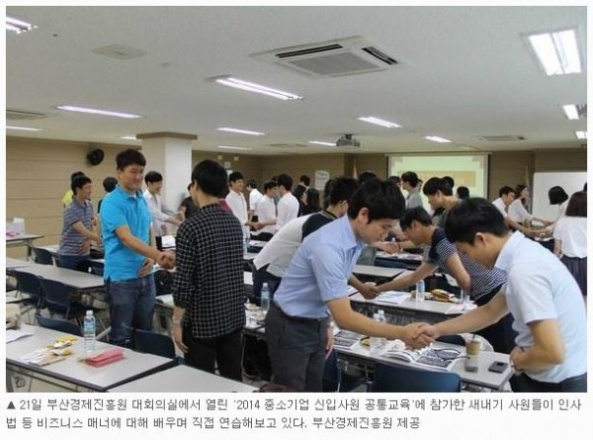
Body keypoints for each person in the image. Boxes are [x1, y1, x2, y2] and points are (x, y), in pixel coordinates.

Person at [265, 179, 433, 391]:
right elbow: (345, 318)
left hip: (315, 321)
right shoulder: (328, 244)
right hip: (290, 325)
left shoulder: (354, 237)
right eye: (384, 227)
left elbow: (336, 279)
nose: (385, 235)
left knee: (313, 390)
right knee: (291, 393)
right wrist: (401, 332)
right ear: (363, 214)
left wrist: (324, 322)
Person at [420, 197, 587, 392]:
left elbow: (552, 353)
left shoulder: (525, 270)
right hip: (558, 374)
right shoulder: (526, 253)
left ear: (481, 239)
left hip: (558, 383)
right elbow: (491, 311)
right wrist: (437, 330)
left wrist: (520, 360)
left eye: (464, 252)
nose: (468, 259)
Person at [377, 207, 515, 354]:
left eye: (406, 232)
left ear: (415, 225)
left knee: (499, 352)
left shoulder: (441, 241)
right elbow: (414, 277)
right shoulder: (435, 243)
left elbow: (463, 279)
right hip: (488, 295)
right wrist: (379, 289)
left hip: (493, 293)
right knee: (486, 350)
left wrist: (465, 303)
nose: (406, 237)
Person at [171, 160, 245, 381]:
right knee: (232, 380)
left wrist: (176, 322)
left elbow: (183, 283)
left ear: (195, 185)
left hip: (202, 321)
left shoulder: (190, 227)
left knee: (200, 383)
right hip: (232, 316)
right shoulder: (233, 223)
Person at [100, 149, 175, 347]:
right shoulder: (111, 202)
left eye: (141, 171)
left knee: (144, 334)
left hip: (146, 275)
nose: (138, 176)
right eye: (133, 171)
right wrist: (158, 255)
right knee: (122, 337)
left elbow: (149, 229)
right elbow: (126, 238)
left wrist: (151, 257)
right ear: (119, 172)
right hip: (122, 278)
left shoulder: (141, 198)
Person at [58, 175, 101, 272]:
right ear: (78, 189)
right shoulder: (70, 209)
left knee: (84, 280)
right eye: (87, 188)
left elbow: (90, 225)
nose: (91, 191)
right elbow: (83, 230)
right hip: (69, 255)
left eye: (91, 187)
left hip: (84, 253)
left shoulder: (89, 205)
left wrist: (88, 241)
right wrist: (102, 239)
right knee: (69, 281)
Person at [553, 191, 587, 299]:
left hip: (568, 264)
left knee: (568, 296)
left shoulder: (562, 222)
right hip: (587, 263)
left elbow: (557, 247)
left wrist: (554, 262)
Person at [143, 171, 182, 246]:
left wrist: (177, 213)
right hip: (150, 235)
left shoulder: (157, 196)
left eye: (161, 183)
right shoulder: (145, 198)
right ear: (149, 183)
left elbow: (166, 209)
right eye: (157, 183)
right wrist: (177, 222)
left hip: (159, 233)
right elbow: (158, 214)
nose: (160, 186)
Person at [225, 171, 250, 238]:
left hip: (245, 231)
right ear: (232, 183)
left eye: (242, 182)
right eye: (239, 182)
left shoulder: (241, 195)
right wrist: (252, 224)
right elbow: (235, 218)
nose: (242, 184)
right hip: (236, 233)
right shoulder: (229, 198)